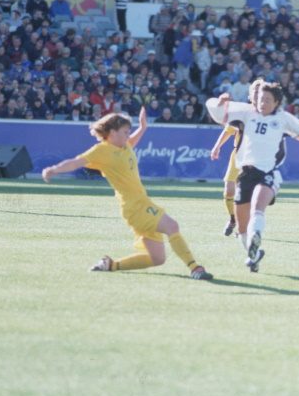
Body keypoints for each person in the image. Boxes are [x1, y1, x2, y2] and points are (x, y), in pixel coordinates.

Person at [41, 108, 213, 280]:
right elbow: (75, 162)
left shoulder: (125, 146)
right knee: (172, 226)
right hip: (135, 207)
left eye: (128, 132)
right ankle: (195, 268)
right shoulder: (102, 150)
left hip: (140, 204)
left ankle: (111, 265)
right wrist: (53, 170)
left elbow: (132, 141)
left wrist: (143, 127)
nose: (127, 135)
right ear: (112, 132)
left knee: (157, 258)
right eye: (124, 132)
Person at [206, 82, 299, 272]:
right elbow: (217, 113)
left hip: (268, 174)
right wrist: (219, 102)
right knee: (242, 228)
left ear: (276, 102)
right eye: (260, 99)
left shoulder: (283, 119)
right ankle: (254, 254)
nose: (263, 103)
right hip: (245, 174)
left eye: (268, 100)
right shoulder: (246, 112)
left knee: (258, 208)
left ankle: (257, 234)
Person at [210, 79, 264, 237]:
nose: (256, 94)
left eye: (259, 92)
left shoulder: (267, 115)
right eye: (254, 91)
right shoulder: (241, 112)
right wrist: (217, 146)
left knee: (250, 194)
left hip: (255, 158)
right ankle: (233, 219)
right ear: (250, 95)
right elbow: (228, 130)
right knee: (229, 190)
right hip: (238, 155)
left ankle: (246, 225)